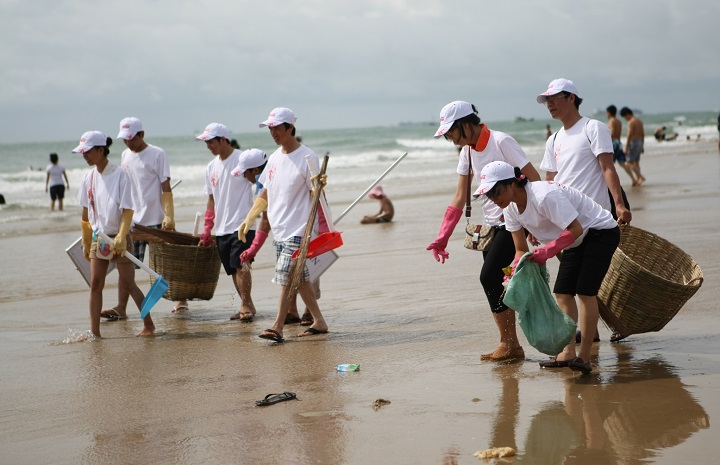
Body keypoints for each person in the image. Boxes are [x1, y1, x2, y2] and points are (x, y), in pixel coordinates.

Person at [479, 161, 620, 374]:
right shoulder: (510, 210)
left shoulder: (543, 196)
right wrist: (514, 271)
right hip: (573, 240)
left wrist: (547, 251)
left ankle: (584, 356)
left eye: (495, 192)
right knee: (562, 293)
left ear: (511, 183)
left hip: (599, 231)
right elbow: (519, 249)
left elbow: (576, 227)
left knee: (584, 291)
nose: (493, 199)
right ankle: (568, 351)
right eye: (488, 195)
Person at [427, 100, 541, 362]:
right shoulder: (467, 152)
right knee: (500, 284)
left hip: (513, 223)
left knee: (489, 277)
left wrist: (534, 220)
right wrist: (442, 237)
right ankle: (511, 345)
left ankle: (508, 343)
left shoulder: (501, 142)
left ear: (465, 124)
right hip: (489, 227)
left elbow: (533, 179)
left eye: (451, 132)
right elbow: (459, 195)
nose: (450, 138)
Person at [537, 79, 630, 344]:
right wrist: (543, 220)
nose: (550, 105)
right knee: (578, 284)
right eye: (547, 101)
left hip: (596, 219)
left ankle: (609, 327)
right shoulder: (553, 139)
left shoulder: (593, 128)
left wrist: (620, 204)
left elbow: (607, 168)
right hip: (567, 220)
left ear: (571, 98)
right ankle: (593, 332)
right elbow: (549, 183)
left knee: (590, 284)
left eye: (554, 98)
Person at [239, 107, 329, 342]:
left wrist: (318, 186)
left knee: (287, 275)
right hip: (279, 229)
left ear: (290, 127)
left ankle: (277, 326)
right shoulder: (276, 157)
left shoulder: (307, 157)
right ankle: (319, 321)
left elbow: (315, 193)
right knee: (299, 279)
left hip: (298, 228)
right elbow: (265, 192)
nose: (273, 132)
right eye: (270, 128)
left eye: (277, 127)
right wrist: (250, 218)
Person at [100, 117, 186, 319]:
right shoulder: (124, 155)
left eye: (132, 138)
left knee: (167, 264)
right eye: (125, 139)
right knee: (126, 266)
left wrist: (169, 216)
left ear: (142, 134)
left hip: (157, 219)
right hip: (132, 222)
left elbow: (166, 186)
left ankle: (180, 300)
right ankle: (121, 308)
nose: (128, 143)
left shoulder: (157, 154)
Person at [74, 130, 155, 338]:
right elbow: (85, 212)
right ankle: (95, 333)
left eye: (88, 152)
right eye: (82, 152)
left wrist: (121, 236)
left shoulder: (120, 175)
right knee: (95, 284)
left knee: (128, 283)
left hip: (119, 237)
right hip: (99, 239)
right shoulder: (88, 178)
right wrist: (85, 239)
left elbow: (127, 209)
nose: (85, 156)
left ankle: (149, 324)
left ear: (101, 150)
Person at [196, 123, 263, 322]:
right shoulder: (211, 167)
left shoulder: (242, 159)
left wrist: (258, 213)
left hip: (242, 223)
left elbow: (259, 185)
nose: (209, 146)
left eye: (211, 142)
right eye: (206, 142)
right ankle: (248, 304)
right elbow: (211, 198)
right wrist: (208, 227)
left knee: (241, 265)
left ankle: (245, 305)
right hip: (222, 226)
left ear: (223, 139)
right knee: (233, 268)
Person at [605, 105, 635, 184]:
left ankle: (609, 182)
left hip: (613, 143)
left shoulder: (611, 121)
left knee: (608, 164)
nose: (606, 114)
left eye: (607, 112)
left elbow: (612, 132)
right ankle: (633, 179)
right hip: (619, 142)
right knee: (622, 163)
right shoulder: (618, 121)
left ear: (609, 113)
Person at [620, 107, 646, 186]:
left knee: (629, 163)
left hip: (634, 143)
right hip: (640, 142)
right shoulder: (639, 121)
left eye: (624, 117)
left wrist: (626, 148)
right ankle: (638, 179)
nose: (625, 119)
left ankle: (641, 177)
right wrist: (642, 145)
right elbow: (642, 133)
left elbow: (629, 135)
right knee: (636, 162)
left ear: (627, 114)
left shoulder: (631, 122)